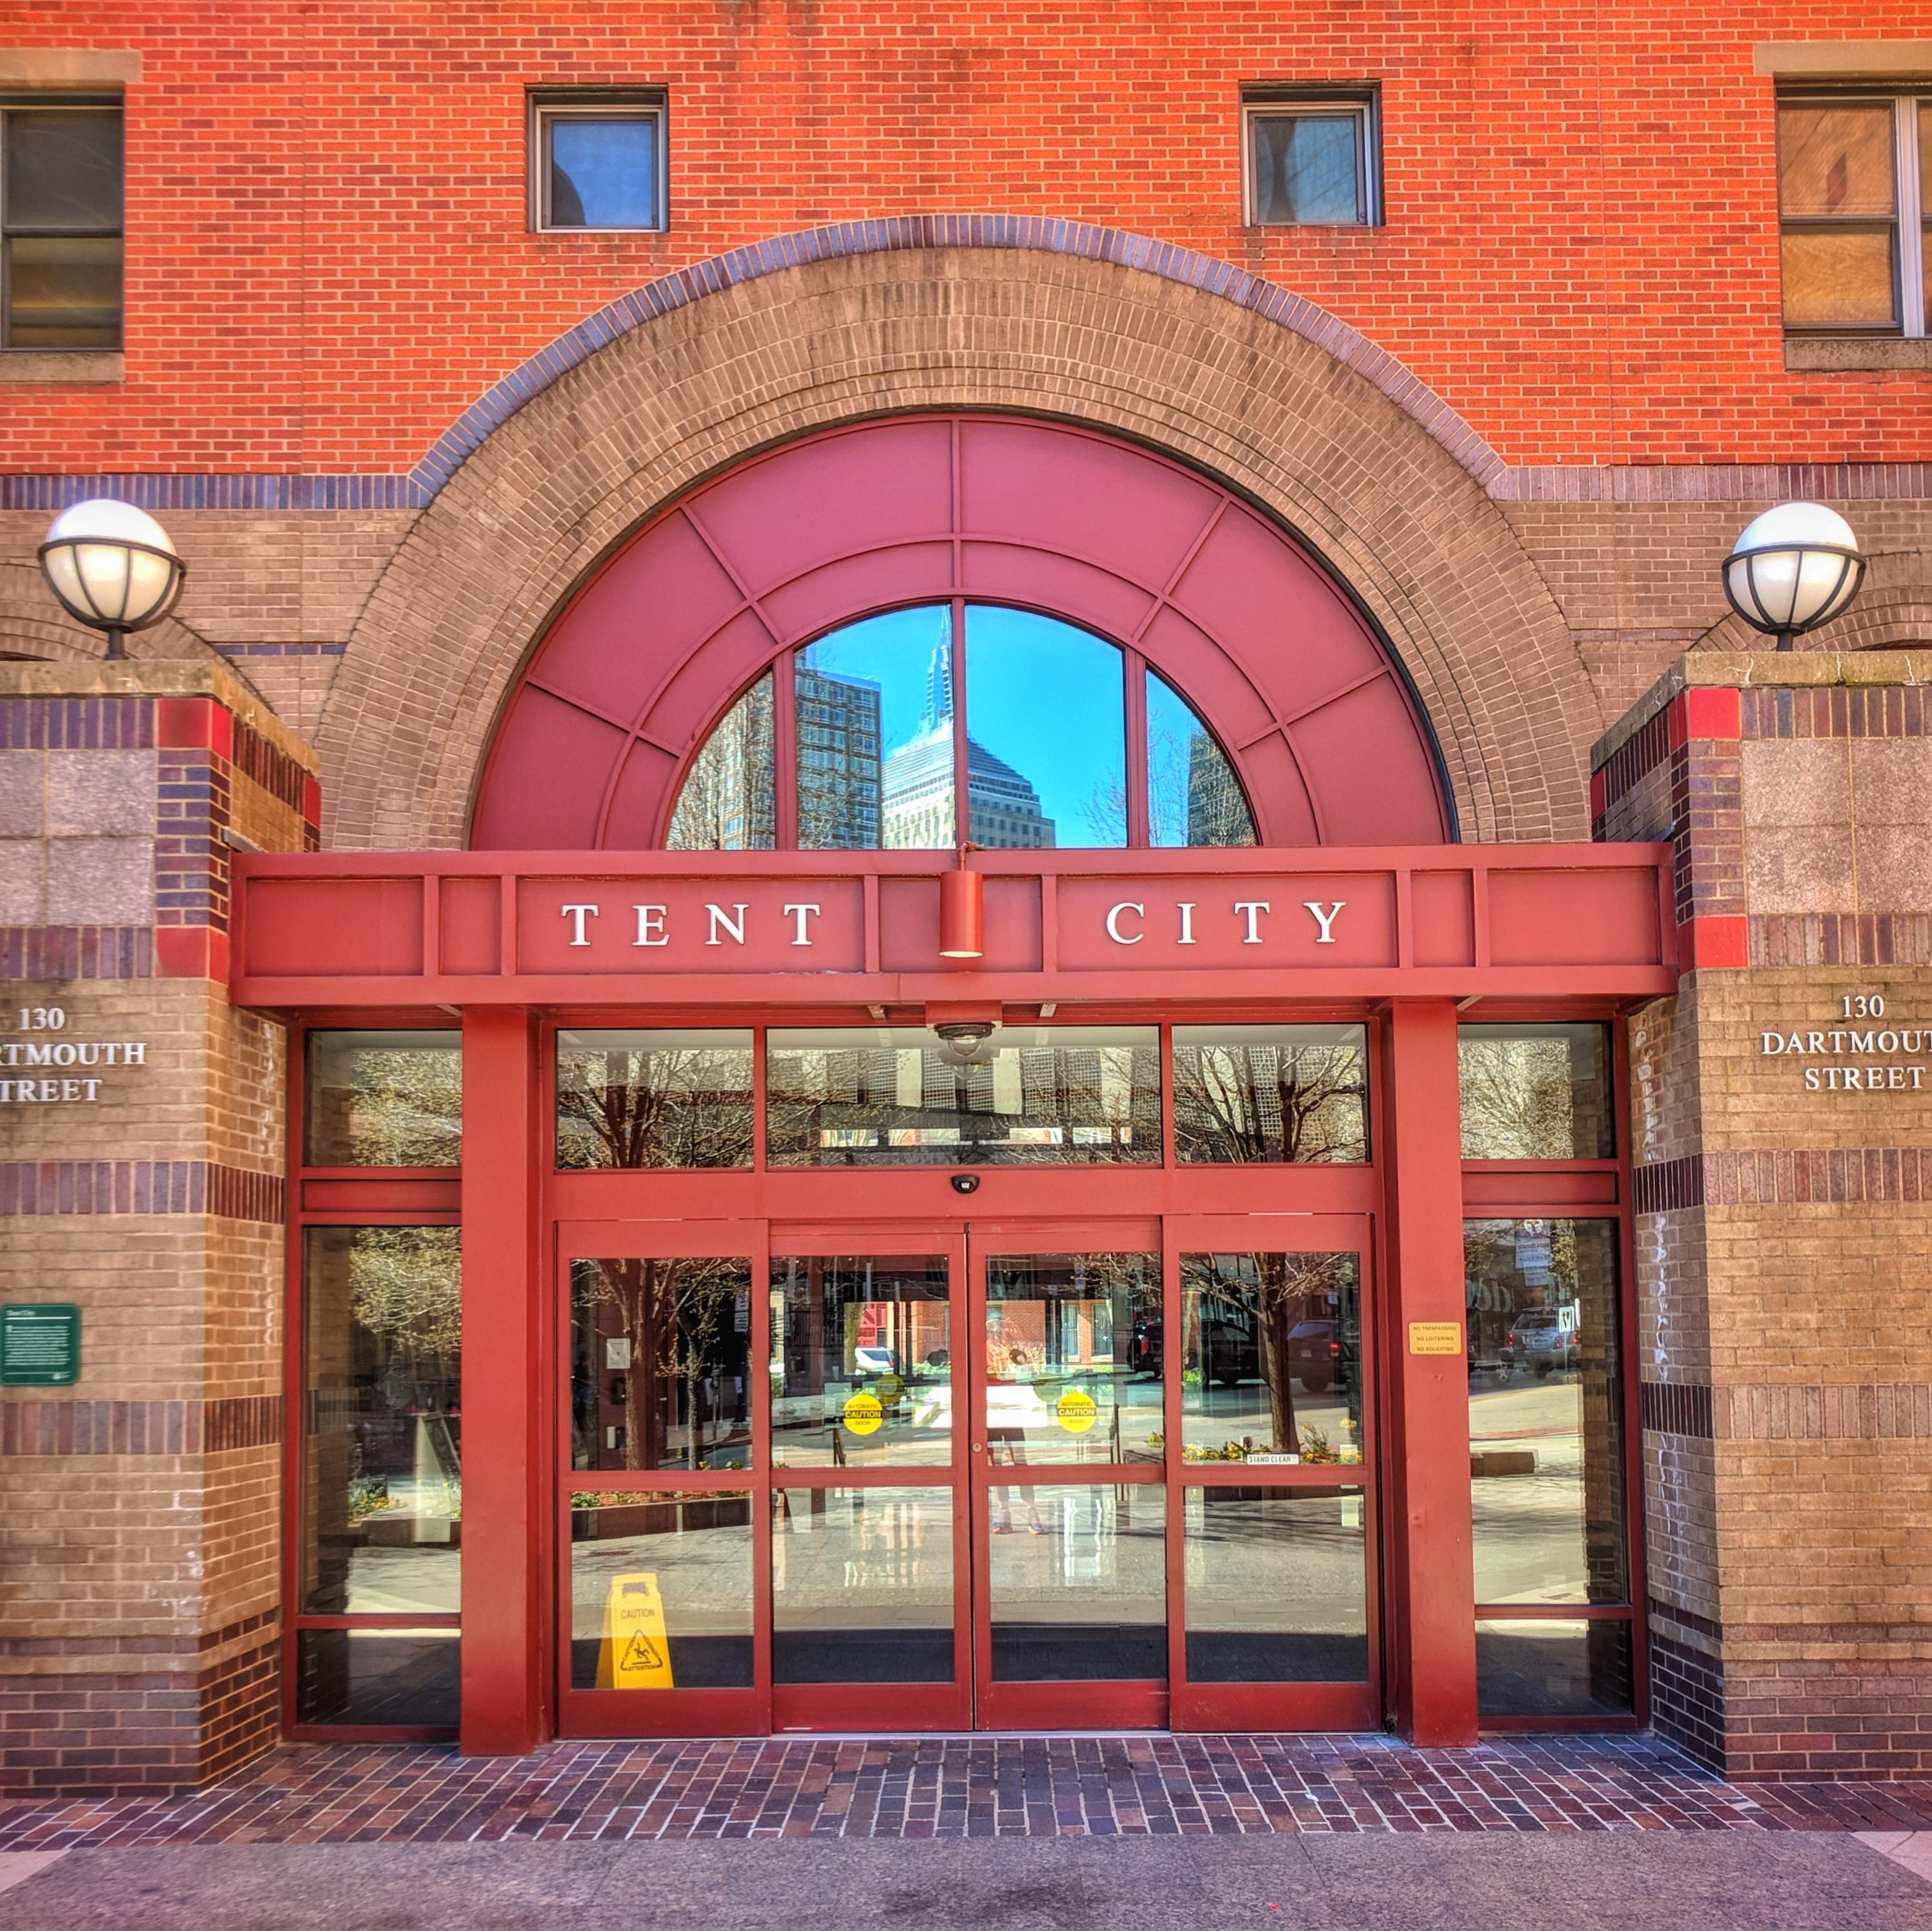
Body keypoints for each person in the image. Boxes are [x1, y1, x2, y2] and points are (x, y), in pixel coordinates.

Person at [986, 1339, 1046, 1534]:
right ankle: (1004, 1513)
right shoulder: (979, 1348)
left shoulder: (1008, 1348)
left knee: (1019, 1459)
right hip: (989, 1409)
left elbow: (1023, 1362)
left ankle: (1032, 1511)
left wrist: (1019, 1358)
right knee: (995, 1464)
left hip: (1011, 1407)